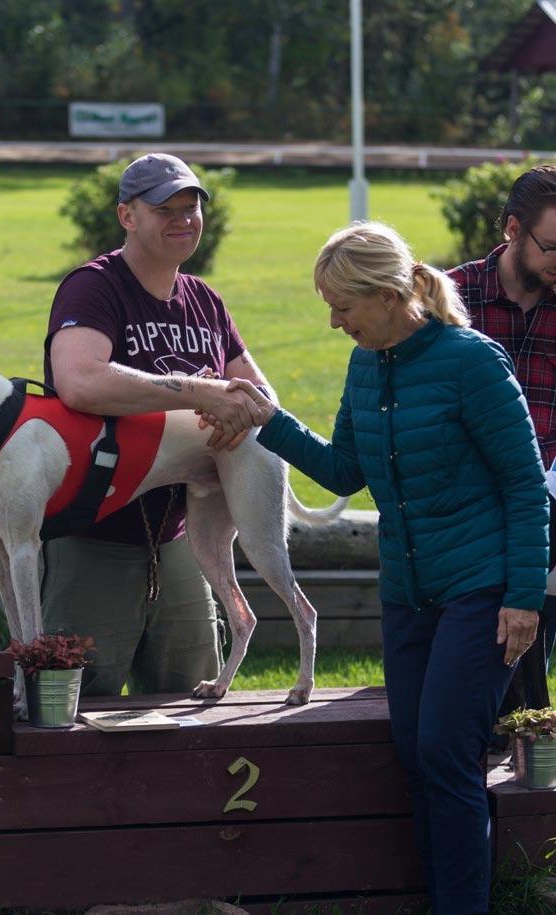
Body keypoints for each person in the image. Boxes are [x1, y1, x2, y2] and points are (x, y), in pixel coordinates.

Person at [224, 222, 549, 915]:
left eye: (341, 305)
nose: (333, 321)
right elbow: (346, 469)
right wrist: (268, 418)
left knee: (445, 754)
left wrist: (523, 598)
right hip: (407, 594)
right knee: (414, 756)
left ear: (387, 293)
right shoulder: (365, 364)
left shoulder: (472, 363)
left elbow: (525, 485)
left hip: (482, 589)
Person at [41, 152, 274, 697]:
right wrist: (199, 392)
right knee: (73, 708)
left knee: (189, 703)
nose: (183, 219)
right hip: (94, 535)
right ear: (127, 216)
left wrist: (244, 414)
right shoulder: (92, 287)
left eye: (191, 207)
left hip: (182, 542)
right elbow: (79, 381)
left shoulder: (204, 301)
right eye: (164, 207)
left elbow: (261, 397)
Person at [448, 164, 556, 714]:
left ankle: (526, 740)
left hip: (544, 501)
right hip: (463, 508)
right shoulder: (450, 299)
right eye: (553, 247)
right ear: (513, 230)